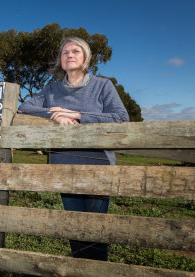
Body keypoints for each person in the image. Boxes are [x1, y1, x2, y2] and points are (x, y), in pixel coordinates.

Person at [18, 37, 129, 261]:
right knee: (75, 229)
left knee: (95, 230)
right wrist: (54, 114)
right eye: (65, 52)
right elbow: (24, 107)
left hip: (98, 168)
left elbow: (120, 118)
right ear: (60, 60)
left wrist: (77, 115)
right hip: (64, 166)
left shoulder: (102, 86)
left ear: (86, 58)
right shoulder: (52, 89)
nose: (70, 55)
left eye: (76, 51)